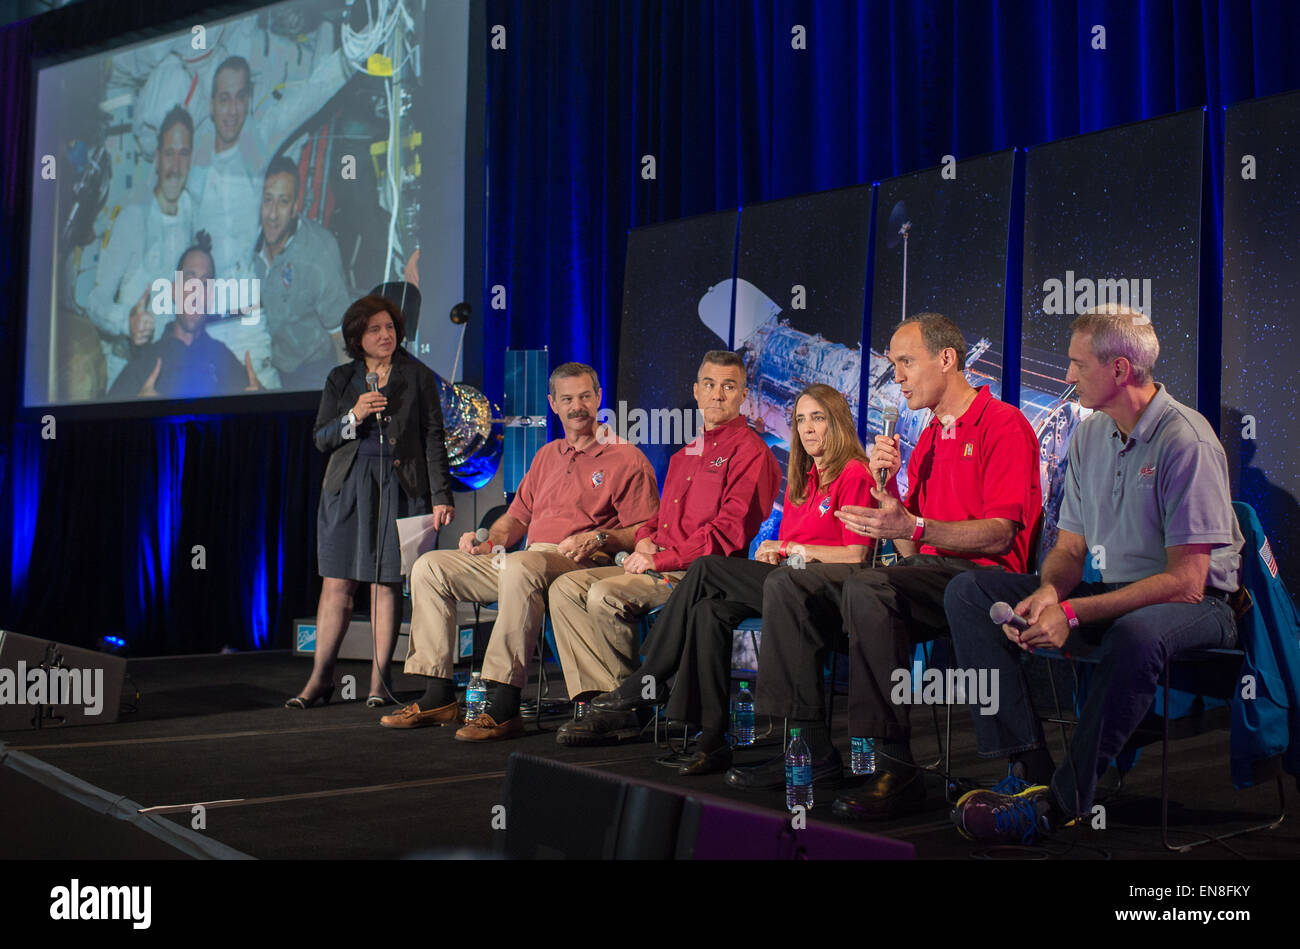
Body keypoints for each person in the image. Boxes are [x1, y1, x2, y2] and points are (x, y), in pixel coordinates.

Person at [724, 313, 1042, 821]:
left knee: (869, 585)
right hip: (932, 577)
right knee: (789, 584)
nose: (895, 375)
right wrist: (886, 491)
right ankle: (806, 750)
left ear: (947, 359)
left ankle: (892, 766)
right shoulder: (930, 441)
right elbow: (913, 551)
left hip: (988, 580)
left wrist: (912, 525)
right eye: (893, 364)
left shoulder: (1003, 423)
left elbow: (1001, 532)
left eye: (905, 362)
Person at [945, 307, 1244, 843]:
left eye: (1077, 365)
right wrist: (1048, 591)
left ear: (1121, 370)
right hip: (1114, 590)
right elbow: (1071, 547)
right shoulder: (1089, 437)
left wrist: (1072, 611)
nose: (1066, 377)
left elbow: (1187, 582)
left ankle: (1062, 802)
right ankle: (1028, 772)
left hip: (1200, 607)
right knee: (970, 591)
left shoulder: (1186, 442)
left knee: (1137, 631)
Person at [564, 385, 873, 777]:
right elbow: (797, 550)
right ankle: (711, 741)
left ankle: (651, 675)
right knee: (709, 612)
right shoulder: (806, 479)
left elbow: (856, 555)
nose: (807, 429)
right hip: (790, 583)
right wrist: (779, 552)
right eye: (800, 420)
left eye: (818, 418)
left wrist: (791, 546)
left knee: (708, 568)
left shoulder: (855, 473)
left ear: (839, 422)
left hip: (830, 591)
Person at [379, 362, 661, 741]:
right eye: (567, 399)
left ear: (598, 398)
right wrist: (489, 541)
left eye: (584, 396)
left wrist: (599, 538)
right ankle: (438, 694)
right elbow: (516, 518)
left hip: (578, 563)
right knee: (431, 566)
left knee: (522, 565)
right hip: (522, 560)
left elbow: (645, 529)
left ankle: (506, 702)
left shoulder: (625, 457)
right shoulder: (547, 455)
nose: (577, 406)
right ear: (553, 404)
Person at [549, 351, 783, 750]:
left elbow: (726, 535)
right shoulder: (686, 453)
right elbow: (659, 521)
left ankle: (627, 700)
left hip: (698, 576)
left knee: (605, 594)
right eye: (709, 385)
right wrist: (645, 536)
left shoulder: (752, 453)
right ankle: (611, 702)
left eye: (729, 386)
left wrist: (658, 558)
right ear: (695, 391)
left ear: (744, 395)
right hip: (657, 565)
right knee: (566, 588)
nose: (718, 395)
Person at [287, 295, 455, 709]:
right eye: (374, 330)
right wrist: (355, 416)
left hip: (399, 486)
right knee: (338, 583)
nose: (385, 336)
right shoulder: (341, 379)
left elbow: (434, 435)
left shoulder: (417, 375)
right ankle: (320, 679)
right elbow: (322, 439)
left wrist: (440, 495)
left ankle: (380, 683)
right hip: (346, 487)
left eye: (390, 328)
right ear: (356, 338)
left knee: (386, 583)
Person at [190, 51, 349, 285]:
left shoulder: (258, 142)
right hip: (197, 294)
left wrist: (356, 48)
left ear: (250, 101)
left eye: (240, 98)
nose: (233, 110)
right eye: (224, 99)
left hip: (243, 290)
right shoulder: (193, 158)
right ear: (212, 106)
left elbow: (314, 92)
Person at [85, 106, 196, 391]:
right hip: (128, 370)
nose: (175, 165)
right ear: (157, 159)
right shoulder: (132, 219)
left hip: (173, 370)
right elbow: (94, 302)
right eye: (169, 153)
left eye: (183, 154)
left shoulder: (194, 215)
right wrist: (127, 323)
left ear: (191, 160)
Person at [237, 156, 351, 390]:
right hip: (265, 363)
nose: (272, 214)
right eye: (267, 200)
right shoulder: (244, 246)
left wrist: (346, 404)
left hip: (312, 370)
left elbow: (343, 340)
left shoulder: (319, 252)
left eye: (283, 202)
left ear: (296, 207)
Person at [107, 233, 260, 400]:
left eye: (204, 283)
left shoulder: (222, 356)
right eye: (189, 280)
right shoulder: (147, 361)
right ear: (174, 291)